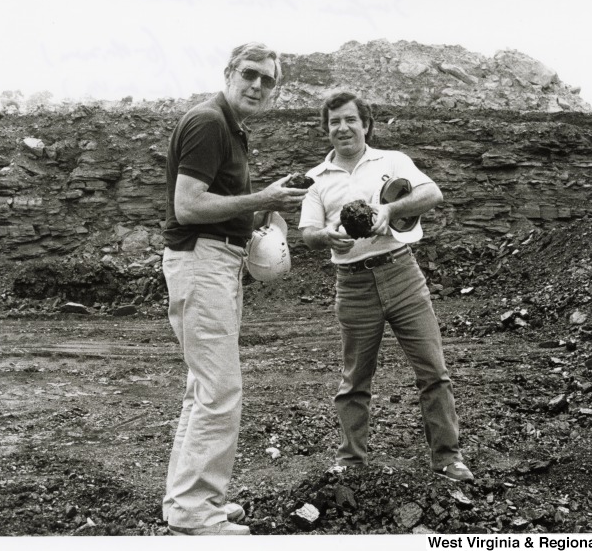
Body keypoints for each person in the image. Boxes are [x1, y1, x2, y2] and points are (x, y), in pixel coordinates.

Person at [161, 42, 308, 536]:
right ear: (228, 72)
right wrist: (263, 197)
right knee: (220, 391)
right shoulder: (208, 122)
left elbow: (219, 199)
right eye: (250, 74)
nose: (258, 86)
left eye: (269, 81)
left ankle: (191, 499)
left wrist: (263, 208)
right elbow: (188, 206)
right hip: (202, 260)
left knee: (203, 390)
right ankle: (195, 515)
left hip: (217, 262)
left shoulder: (230, 129)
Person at [298, 91, 474, 483]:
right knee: (354, 379)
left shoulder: (392, 161)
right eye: (334, 122)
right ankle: (351, 461)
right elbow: (307, 232)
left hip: (402, 274)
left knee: (433, 371)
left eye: (349, 119)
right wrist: (326, 236)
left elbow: (433, 194)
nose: (342, 127)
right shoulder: (317, 179)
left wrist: (390, 210)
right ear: (326, 129)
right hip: (353, 284)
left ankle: (448, 457)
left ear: (365, 124)